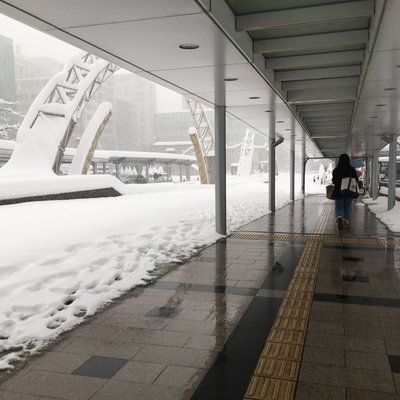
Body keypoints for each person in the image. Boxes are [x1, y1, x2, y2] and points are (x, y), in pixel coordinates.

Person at [332, 153, 359, 231]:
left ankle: (339, 217)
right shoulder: (352, 169)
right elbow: (356, 180)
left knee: (338, 207)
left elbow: (334, 181)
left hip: (338, 192)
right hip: (349, 191)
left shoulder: (336, 170)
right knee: (347, 207)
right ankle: (346, 222)